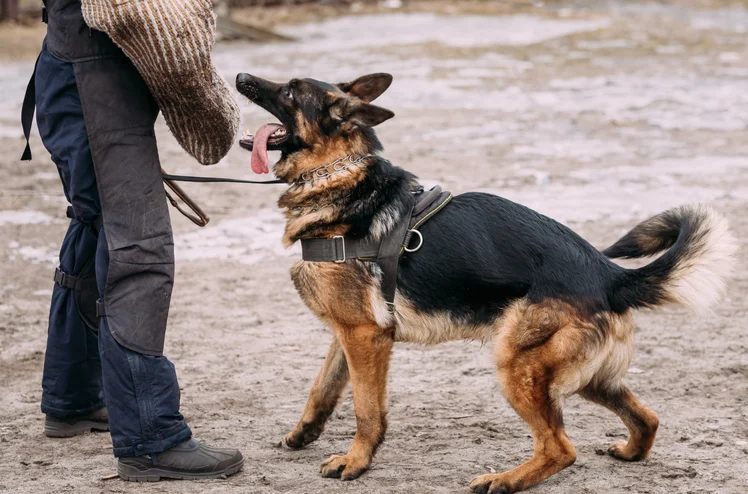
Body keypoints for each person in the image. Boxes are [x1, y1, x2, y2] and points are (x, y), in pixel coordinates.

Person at [22, 0, 243, 481]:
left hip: (74, 70)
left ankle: (74, 398)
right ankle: (150, 438)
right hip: (92, 85)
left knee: (96, 223)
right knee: (138, 252)